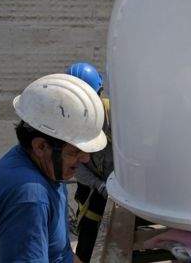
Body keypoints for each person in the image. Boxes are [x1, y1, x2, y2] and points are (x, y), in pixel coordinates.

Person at [0, 73, 107, 263]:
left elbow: (59, 253)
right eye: (75, 151)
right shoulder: (29, 197)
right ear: (41, 146)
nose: (85, 158)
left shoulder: (45, 169)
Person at [66, 62, 114, 263]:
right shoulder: (68, 124)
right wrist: (99, 185)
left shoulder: (115, 116)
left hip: (119, 185)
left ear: (100, 93)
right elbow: (77, 167)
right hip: (92, 189)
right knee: (87, 238)